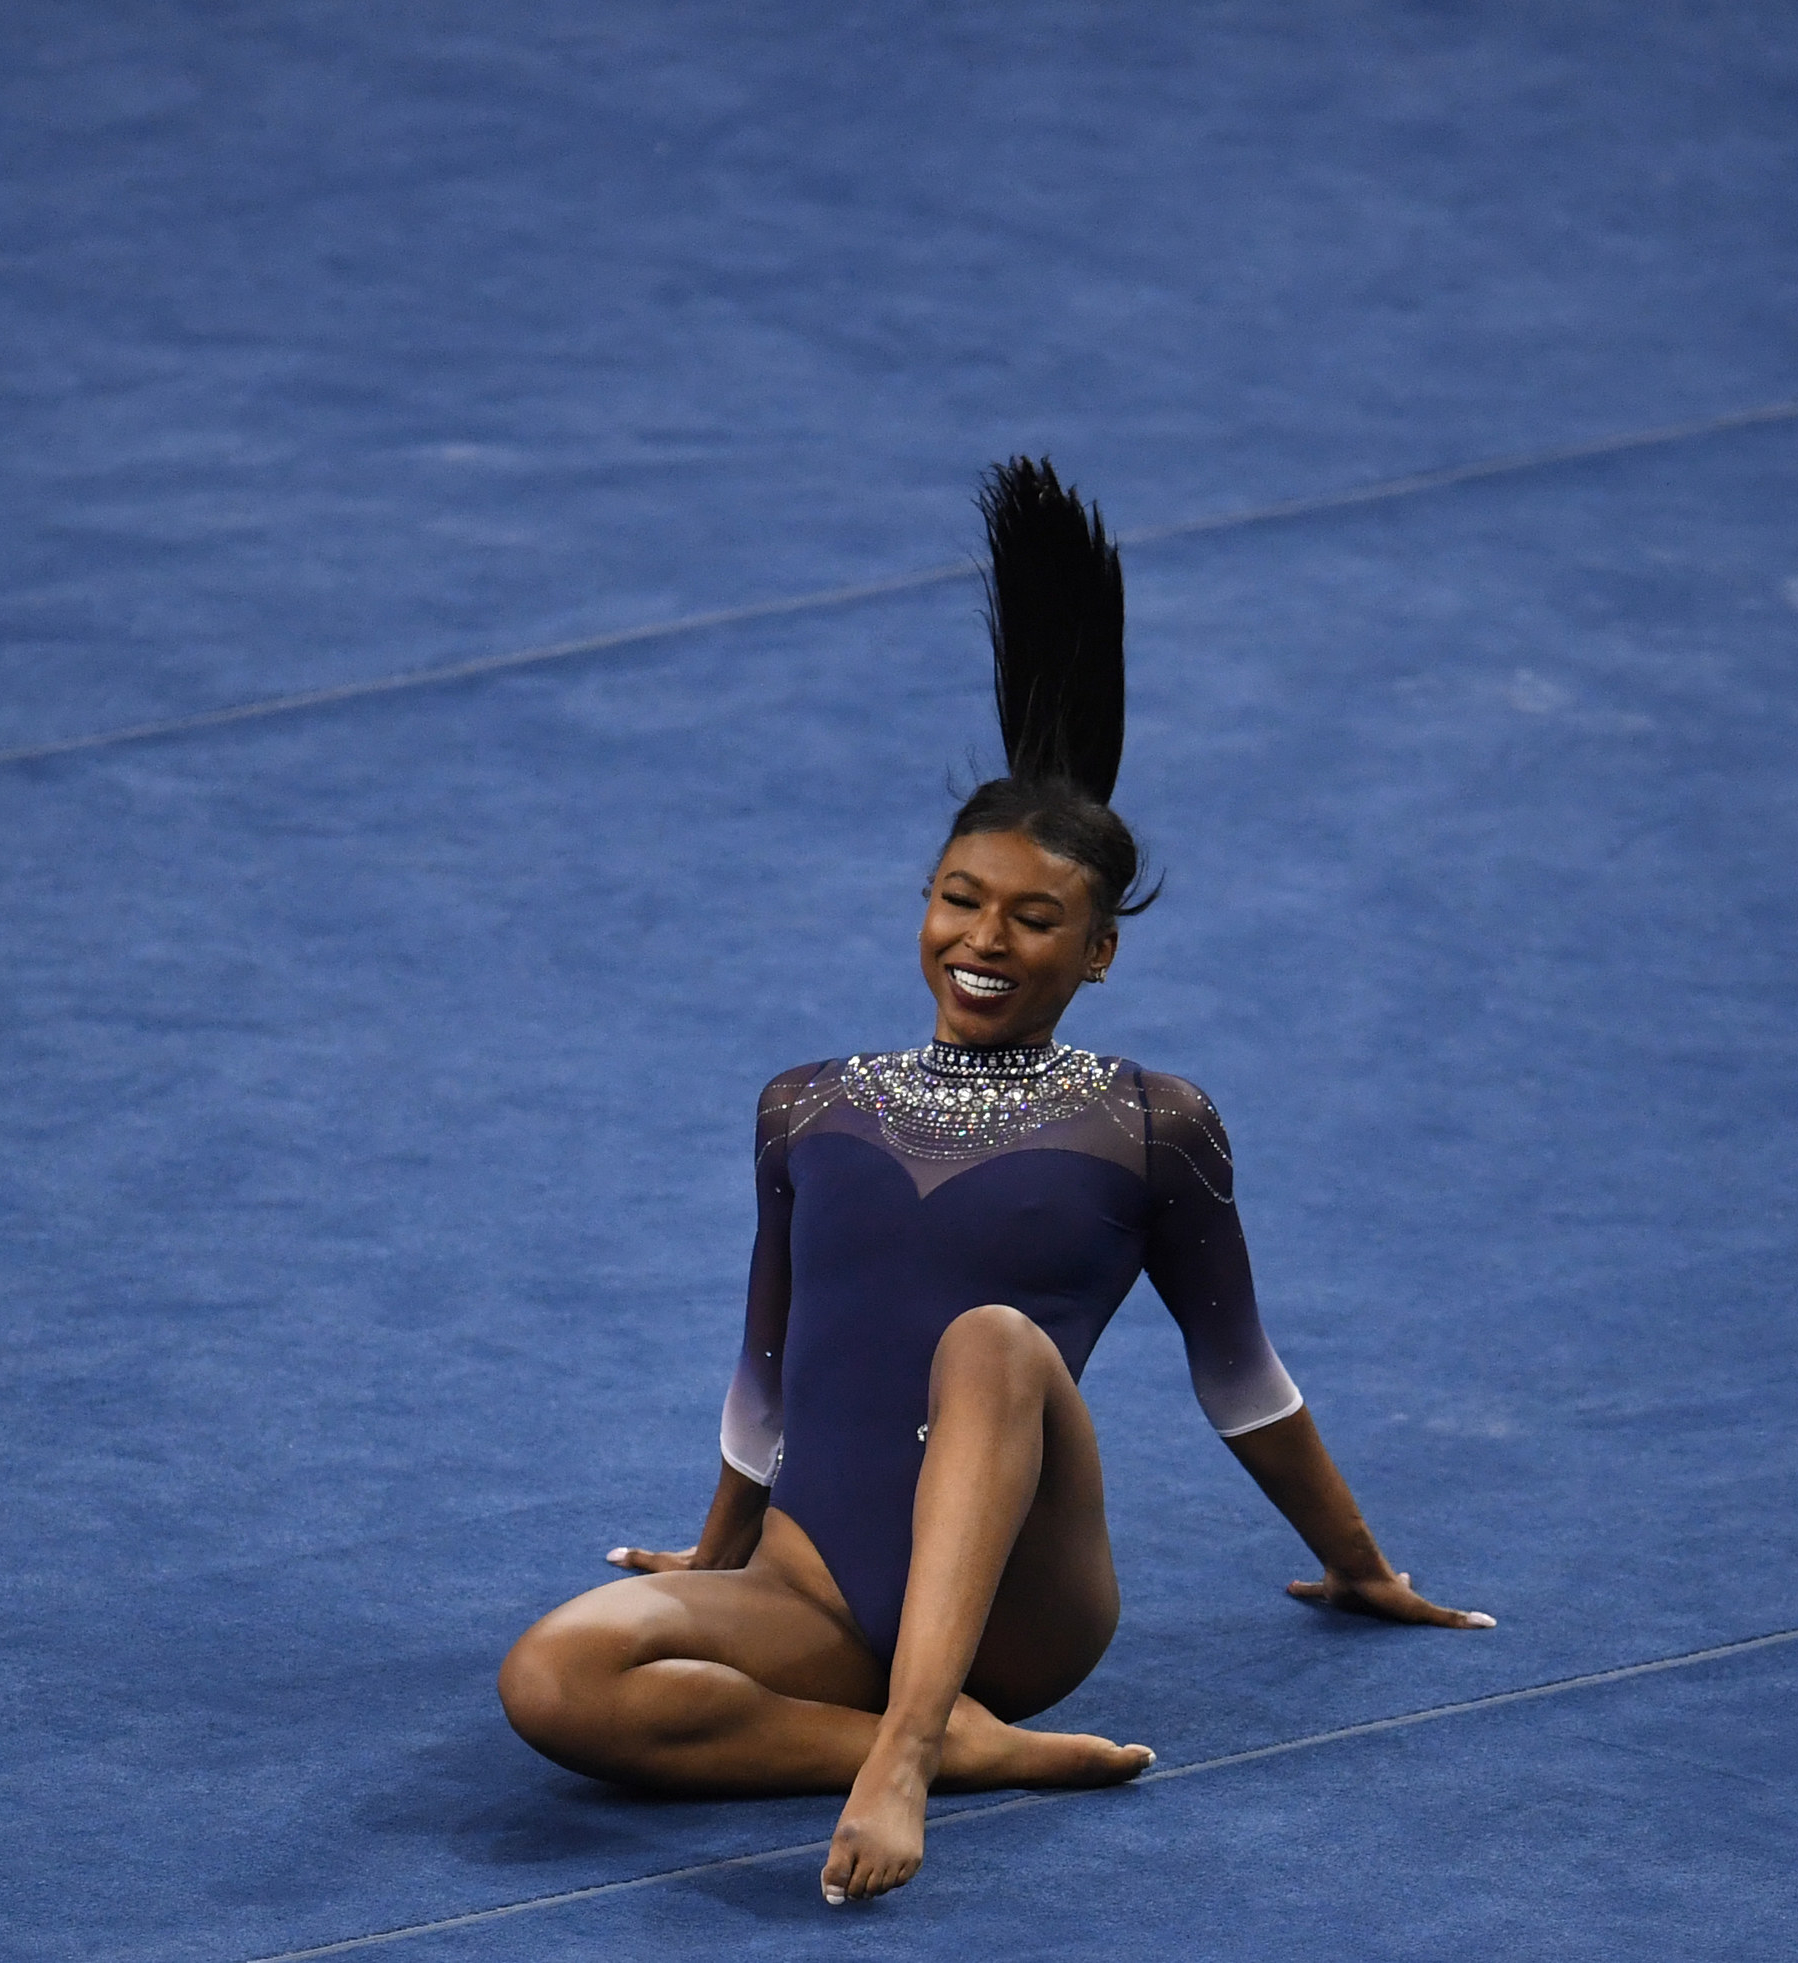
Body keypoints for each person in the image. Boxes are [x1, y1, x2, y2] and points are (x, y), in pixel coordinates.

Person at [498, 458, 1493, 1906]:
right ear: (924, 901)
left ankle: (906, 1755)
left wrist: (1360, 1562)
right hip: (816, 1582)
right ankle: (961, 1748)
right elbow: (767, 1364)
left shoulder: (1153, 1122)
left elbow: (1244, 1380)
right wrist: (717, 1559)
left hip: (1022, 1612)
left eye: (1038, 920)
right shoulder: (807, 1105)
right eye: (961, 899)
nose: (986, 939)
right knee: (553, 1676)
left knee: (993, 1339)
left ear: (1098, 955)